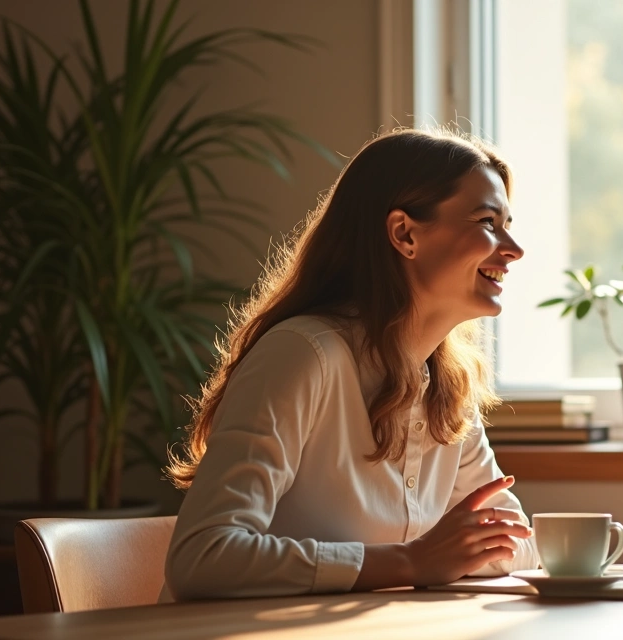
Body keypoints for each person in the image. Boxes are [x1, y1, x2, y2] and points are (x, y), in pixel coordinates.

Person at [163, 128, 537, 601]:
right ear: (404, 233)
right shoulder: (302, 354)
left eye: (508, 223)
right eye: (487, 222)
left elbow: (515, 546)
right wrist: (411, 560)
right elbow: (202, 557)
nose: (513, 249)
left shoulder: (447, 386)